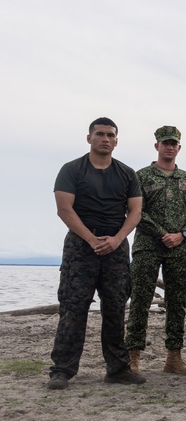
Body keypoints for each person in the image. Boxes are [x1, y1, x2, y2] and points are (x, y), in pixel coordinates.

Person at [48, 117, 145, 390]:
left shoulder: (127, 173)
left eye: (110, 135)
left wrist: (117, 239)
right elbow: (64, 210)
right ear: (89, 138)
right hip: (80, 247)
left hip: (116, 247)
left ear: (116, 140)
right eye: (100, 134)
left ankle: (117, 369)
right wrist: (91, 239)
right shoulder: (72, 169)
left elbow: (135, 211)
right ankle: (62, 371)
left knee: (115, 308)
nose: (105, 138)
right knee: (73, 308)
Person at [125, 126, 186, 376]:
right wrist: (162, 234)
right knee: (140, 300)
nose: (169, 147)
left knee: (178, 302)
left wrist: (182, 234)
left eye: (174, 144)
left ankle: (173, 357)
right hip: (148, 246)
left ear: (179, 148)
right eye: (165, 143)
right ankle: (133, 357)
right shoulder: (141, 176)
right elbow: (135, 210)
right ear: (157, 146)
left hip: (179, 249)